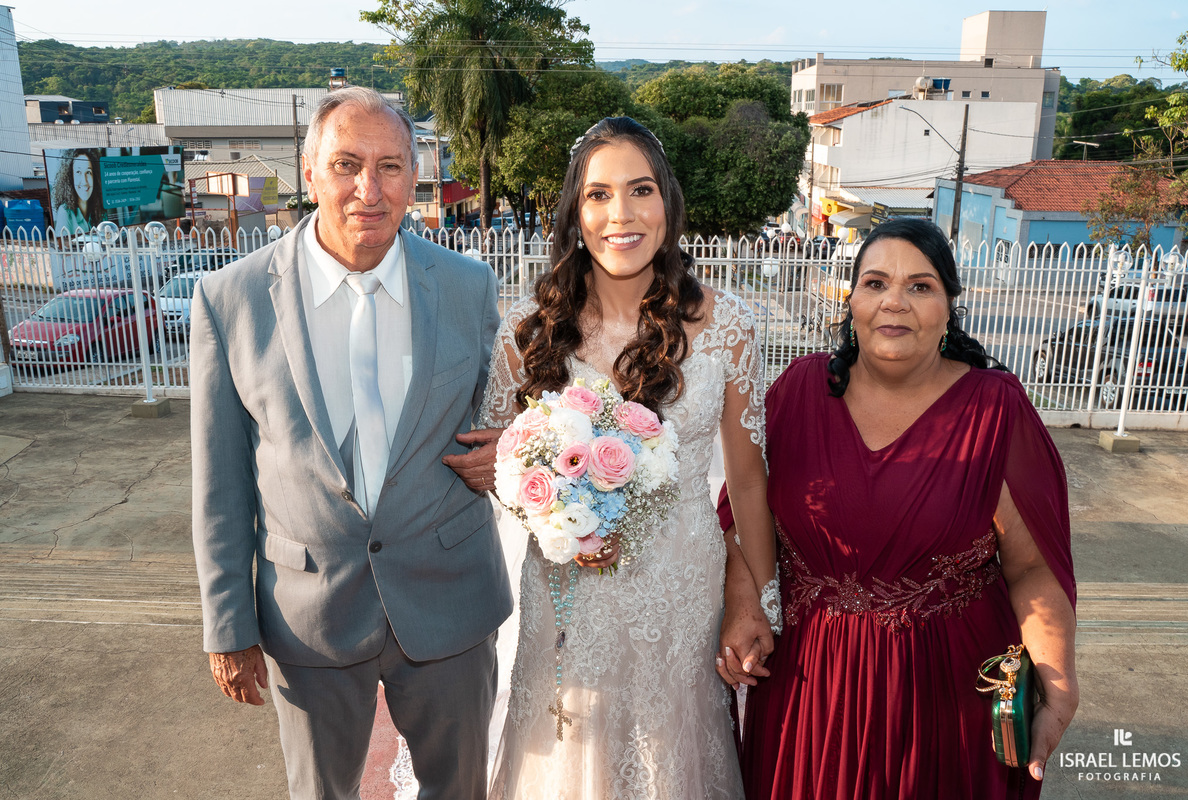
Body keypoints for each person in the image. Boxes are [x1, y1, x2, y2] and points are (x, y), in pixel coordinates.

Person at [190, 86, 512, 800]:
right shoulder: (230, 299)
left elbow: (508, 417)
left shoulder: (469, 286)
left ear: (414, 178)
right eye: (346, 164)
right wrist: (227, 622)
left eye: (391, 166)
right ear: (309, 175)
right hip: (308, 612)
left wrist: (514, 455)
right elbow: (218, 482)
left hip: (450, 599)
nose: (369, 189)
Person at [464, 116, 778, 798]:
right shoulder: (527, 332)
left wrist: (757, 599)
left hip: (682, 593)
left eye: (641, 191)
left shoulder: (728, 326)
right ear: (576, 212)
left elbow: (750, 485)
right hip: (570, 597)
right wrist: (561, 518)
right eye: (599, 195)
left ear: (668, 202)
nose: (622, 215)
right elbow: (504, 467)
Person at [718, 217, 1078, 799]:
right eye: (875, 282)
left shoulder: (995, 409)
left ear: (948, 307)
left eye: (920, 286)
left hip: (946, 696)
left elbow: (1032, 566)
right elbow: (739, 514)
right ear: (852, 299)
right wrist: (742, 608)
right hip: (808, 689)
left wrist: (1058, 680)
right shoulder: (799, 391)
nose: (894, 302)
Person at [51, 149, 102, 234]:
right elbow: (64, 244)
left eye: (88, 172)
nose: (84, 181)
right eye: (78, 172)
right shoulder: (65, 212)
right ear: (70, 177)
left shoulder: (98, 210)